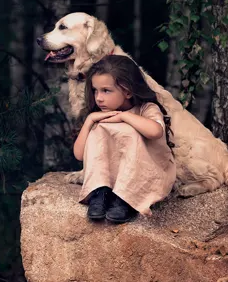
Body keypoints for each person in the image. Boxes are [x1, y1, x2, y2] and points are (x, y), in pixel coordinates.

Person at [73, 55, 176, 223]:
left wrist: (124, 117)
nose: (99, 97)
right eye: (95, 90)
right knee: (99, 130)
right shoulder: (99, 115)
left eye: (106, 90)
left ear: (127, 91)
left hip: (145, 174)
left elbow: (155, 131)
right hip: (111, 178)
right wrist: (90, 120)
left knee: (129, 131)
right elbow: (79, 154)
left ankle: (126, 198)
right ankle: (101, 190)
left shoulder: (146, 109)